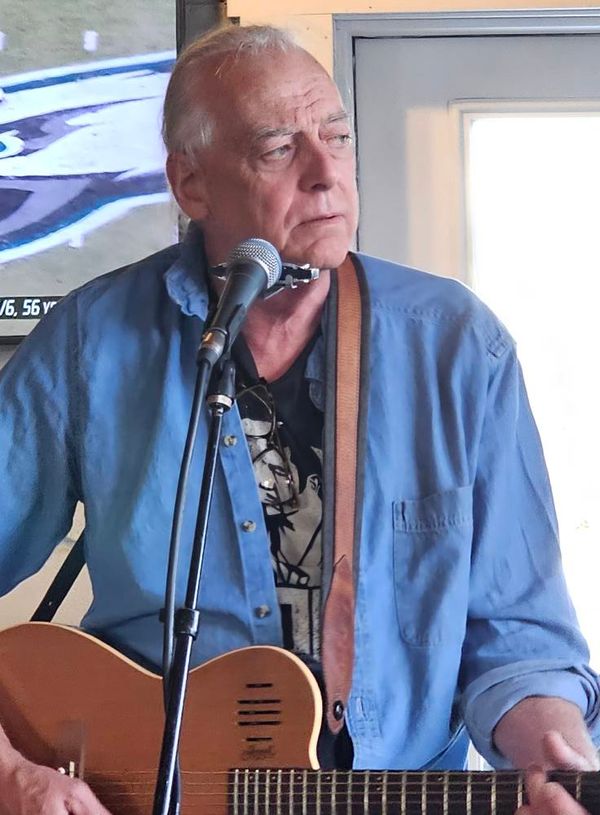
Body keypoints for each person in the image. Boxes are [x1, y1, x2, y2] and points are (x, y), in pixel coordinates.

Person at [0, 23, 598, 815]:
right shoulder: (89, 344)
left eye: (337, 137)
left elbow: (519, 637)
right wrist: (13, 774)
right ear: (191, 185)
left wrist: (555, 754)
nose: (327, 174)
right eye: (279, 147)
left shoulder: (458, 347)